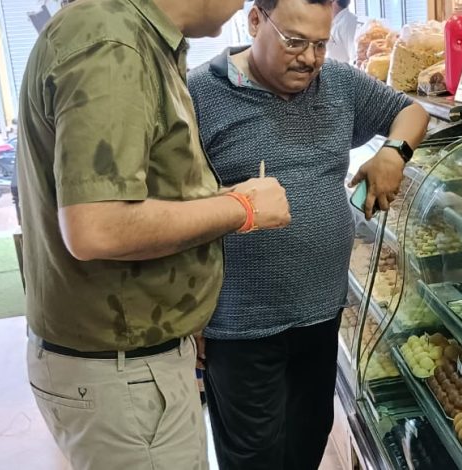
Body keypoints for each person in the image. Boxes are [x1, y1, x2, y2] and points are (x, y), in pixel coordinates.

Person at [16, 0, 291, 468]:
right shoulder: (112, 41)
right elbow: (96, 227)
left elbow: (138, 193)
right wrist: (240, 209)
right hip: (119, 369)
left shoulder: (135, 36)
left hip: (133, 361)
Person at [187, 0, 429, 468]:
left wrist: (393, 152)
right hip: (238, 325)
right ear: (255, 21)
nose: (309, 59)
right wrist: (190, 316)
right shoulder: (198, 94)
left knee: (308, 439)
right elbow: (176, 209)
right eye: (294, 42)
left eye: (320, 43)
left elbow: (412, 112)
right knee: (254, 456)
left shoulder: (337, 82)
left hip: (321, 313)